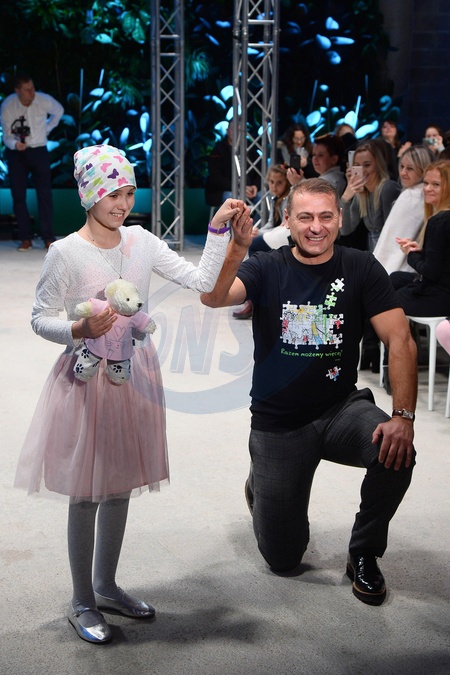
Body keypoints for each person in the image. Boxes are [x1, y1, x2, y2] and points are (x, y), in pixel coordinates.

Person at [14, 144, 251, 644]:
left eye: (127, 192)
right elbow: (39, 318)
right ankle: (82, 600)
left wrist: (216, 231)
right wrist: (78, 328)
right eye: (111, 194)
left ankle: (105, 585)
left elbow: (201, 279)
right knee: (86, 492)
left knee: (118, 485)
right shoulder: (65, 252)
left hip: (133, 374)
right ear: (88, 195)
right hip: (85, 380)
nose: (122, 203)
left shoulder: (142, 241)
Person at [201, 178, 417, 606]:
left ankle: (364, 553)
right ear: (288, 220)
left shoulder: (361, 266)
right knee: (283, 558)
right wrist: (237, 247)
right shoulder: (267, 266)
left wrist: (402, 417)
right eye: (305, 217)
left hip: (341, 409)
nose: (316, 226)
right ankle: (261, 481)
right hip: (279, 423)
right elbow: (213, 297)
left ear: (339, 218)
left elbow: (400, 339)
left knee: (396, 451)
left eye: (325, 216)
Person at [0, 72, 64, 250]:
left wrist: (47, 129)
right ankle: (25, 237)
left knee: (44, 194)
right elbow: (6, 134)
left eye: (32, 88)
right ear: (17, 91)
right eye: (27, 89)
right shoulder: (8, 106)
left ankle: (48, 237)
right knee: (18, 195)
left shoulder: (43, 100)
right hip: (16, 153)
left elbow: (59, 111)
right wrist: (15, 144)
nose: (31, 92)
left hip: (39, 150)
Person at [392, 159, 450, 316]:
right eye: (426, 183)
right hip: (442, 290)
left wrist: (410, 254)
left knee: (384, 299)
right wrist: (422, 252)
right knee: (396, 278)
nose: (427, 189)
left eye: (436, 185)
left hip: (441, 296)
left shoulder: (439, 221)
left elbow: (430, 271)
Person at [233, 164, 291, 319]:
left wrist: (260, 233)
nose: (274, 186)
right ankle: (254, 295)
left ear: (287, 182)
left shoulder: (288, 199)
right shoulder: (275, 199)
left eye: (279, 182)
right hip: (278, 235)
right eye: (271, 182)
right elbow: (271, 223)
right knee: (253, 242)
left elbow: (283, 226)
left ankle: (253, 298)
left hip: (287, 237)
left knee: (255, 245)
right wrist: (258, 231)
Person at [373, 144, 436, 274]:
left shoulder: (412, 195)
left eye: (410, 168)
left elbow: (391, 246)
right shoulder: (423, 195)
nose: (403, 173)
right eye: (401, 166)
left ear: (423, 170)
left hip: (396, 272)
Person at [340, 139, 401, 252]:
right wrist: (345, 199)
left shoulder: (388, 188)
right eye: (357, 166)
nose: (362, 170)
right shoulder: (361, 193)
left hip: (389, 252)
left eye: (367, 165)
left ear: (378, 165)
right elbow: (345, 230)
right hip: (374, 250)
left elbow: (393, 232)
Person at [204, 122, 260, 207]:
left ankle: (256, 217)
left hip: (248, 190)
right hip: (224, 190)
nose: (237, 132)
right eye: (234, 129)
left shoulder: (251, 148)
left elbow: (261, 172)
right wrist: (238, 188)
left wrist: (255, 186)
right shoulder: (218, 150)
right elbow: (215, 177)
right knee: (235, 199)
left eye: (240, 130)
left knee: (264, 197)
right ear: (227, 131)